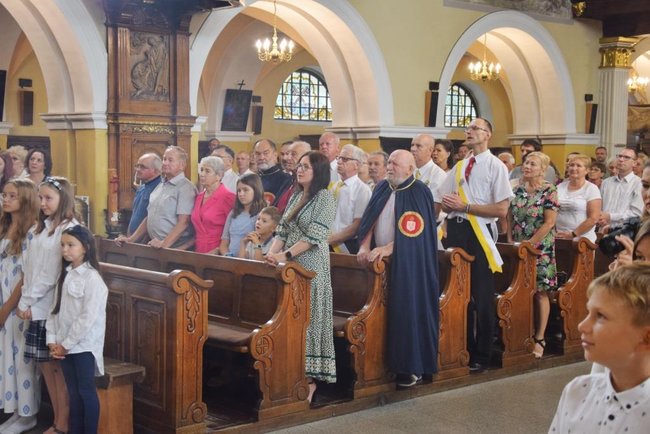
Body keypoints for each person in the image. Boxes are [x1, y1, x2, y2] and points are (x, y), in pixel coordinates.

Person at [356, 150, 439, 388]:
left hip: (409, 264)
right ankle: (378, 366)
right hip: (379, 262)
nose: (390, 167)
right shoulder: (382, 187)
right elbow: (369, 220)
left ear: (410, 169)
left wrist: (388, 249)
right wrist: (364, 246)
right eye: (389, 162)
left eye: (395, 164)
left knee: (407, 311)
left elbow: (415, 233)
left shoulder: (418, 191)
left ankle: (410, 367)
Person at [439, 117, 513, 373]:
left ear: (488, 134)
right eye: (468, 128)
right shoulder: (460, 166)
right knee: (457, 293)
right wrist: (449, 205)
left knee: (481, 295)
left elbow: (501, 209)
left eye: (475, 128)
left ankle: (482, 353)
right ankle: (462, 348)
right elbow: (442, 199)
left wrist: (466, 207)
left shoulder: (496, 166)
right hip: (456, 230)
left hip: (479, 232)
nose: (469, 132)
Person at [266, 151, 337, 402]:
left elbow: (314, 236)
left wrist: (284, 255)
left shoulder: (325, 198)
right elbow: (282, 230)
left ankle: (309, 380)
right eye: (299, 166)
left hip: (310, 267)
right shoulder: (296, 195)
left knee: (308, 319)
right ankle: (289, 373)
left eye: (306, 166)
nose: (300, 169)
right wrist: (271, 254)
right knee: (291, 319)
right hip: (289, 266)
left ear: (318, 171)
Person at [548, 264, 650, 434]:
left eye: (601, 316)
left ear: (646, 337)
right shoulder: (577, 391)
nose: (582, 326)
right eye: (588, 312)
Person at [18, 176, 80, 434]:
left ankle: (62, 424)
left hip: (52, 307)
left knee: (57, 371)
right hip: (37, 306)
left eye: (48, 198)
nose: (42, 203)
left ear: (62, 199)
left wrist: (27, 300)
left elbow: (51, 273)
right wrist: (27, 297)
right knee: (45, 368)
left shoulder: (68, 228)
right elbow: (31, 267)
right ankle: (57, 420)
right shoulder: (42, 227)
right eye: (40, 198)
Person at [47, 225, 108, 434]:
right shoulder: (65, 275)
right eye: (63, 245)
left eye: (71, 245)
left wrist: (66, 344)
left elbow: (86, 318)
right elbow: (54, 309)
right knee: (72, 393)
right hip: (64, 345)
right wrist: (52, 341)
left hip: (83, 346)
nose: (65, 250)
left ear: (86, 247)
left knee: (85, 391)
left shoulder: (92, 279)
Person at [508, 151, 559, 359]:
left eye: (532, 164)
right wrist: (511, 241)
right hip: (519, 246)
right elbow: (509, 216)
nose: (527, 166)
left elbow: (549, 222)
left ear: (542, 169)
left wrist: (530, 245)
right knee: (519, 291)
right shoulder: (516, 188)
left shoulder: (549, 190)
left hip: (540, 247)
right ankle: (520, 335)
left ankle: (540, 337)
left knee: (540, 292)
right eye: (526, 163)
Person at [0, 179, 40, 434]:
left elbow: (26, 277)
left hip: (18, 304)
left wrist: (7, 308)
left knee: (22, 359)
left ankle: (28, 415)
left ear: (25, 200)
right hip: (2, 298)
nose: (5, 199)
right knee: (7, 358)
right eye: (4, 195)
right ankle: (14, 411)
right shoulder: (5, 226)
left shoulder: (32, 232)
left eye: (12, 196)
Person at [115, 146, 196, 249]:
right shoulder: (160, 185)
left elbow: (184, 222)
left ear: (182, 165)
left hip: (174, 249)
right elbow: (150, 217)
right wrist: (131, 240)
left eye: (170, 160)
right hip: (156, 246)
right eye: (164, 159)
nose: (165, 163)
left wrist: (164, 244)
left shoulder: (186, 188)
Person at [329, 144, 372, 254]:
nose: (339, 162)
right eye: (339, 158)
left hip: (347, 245)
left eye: (345, 159)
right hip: (327, 242)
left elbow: (357, 225)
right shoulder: (334, 187)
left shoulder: (362, 190)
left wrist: (329, 240)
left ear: (356, 165)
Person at [192, 156, 236, 253]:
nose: (202, 174)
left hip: (218, 251)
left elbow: (233, 230)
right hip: (198, 250)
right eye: (201, 170)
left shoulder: (228, 197)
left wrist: (220, 250)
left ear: (218, 176)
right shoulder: (199, 197)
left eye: (207, 171)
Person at [555, 154, 602, 243]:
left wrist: (573, 234)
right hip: (559, 236)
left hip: (582, 240)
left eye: (578, 166)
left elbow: (593, 218)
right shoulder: (559, 187)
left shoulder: (591, 189)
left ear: (587, 170)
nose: (574, 168)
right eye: (571, 165)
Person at [218, 173, 265, 256]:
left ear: (256, 190)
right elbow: (224, 243)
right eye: (239, 190)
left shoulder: (261, 215)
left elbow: (260, 244)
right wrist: (228, 256)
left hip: (249, 259)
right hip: (230, 259)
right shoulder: (233, 213)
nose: (241, 194)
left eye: (245, 190)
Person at [598, 147, 644, 228]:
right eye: (619, 156)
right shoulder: (606, 182)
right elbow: (599, 207)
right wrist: (601, 218)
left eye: (626, 157)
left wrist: (610, 216)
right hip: (603, 229)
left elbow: (636, 214)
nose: (621, 159)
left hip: (625, 231)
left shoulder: (639, 184)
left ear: (634, 163)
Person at [126, 152, 162, 235]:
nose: (138, 169)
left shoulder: (160, 188)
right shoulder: (141, 188)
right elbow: (135, 213)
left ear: (155, 171)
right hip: (133, 238)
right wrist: (129, 236)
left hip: (147, 239)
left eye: (142, 167)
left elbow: (151, 219)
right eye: (137, 166)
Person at [410, 134, 446, 214]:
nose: (413, 149)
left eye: (418, 146)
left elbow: (434, 211)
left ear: (430, 150)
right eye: (412, 145)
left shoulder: (438, 175)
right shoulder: (407, 170)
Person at [274, 141, 312, 213]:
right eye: (288, 154)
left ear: (306, 157)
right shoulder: (288, 180)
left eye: (293, 154)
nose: (287, 158)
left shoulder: (309, 185)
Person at [253, 139, 292, 203]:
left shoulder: (286, 179)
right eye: (257, 154)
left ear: (275, 155)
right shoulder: (251, 178)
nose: (261, 157)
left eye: (266, 153)